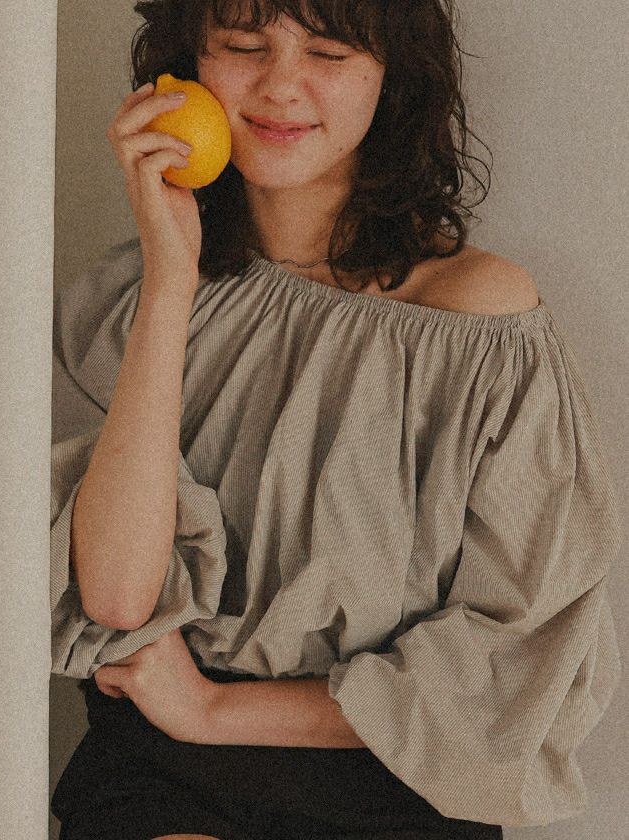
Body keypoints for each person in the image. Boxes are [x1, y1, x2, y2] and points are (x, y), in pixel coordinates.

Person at [49, 1, 623, 839]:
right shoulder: (129, 300)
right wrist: (171, 280)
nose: (281, 86)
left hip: (393, 781)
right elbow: (117, 597)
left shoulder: (480, 324)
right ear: (187, 68)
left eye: (328, 52)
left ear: (393, 80)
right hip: (160, 771)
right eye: (244, 45)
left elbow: (513, 659)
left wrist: (212, 709)